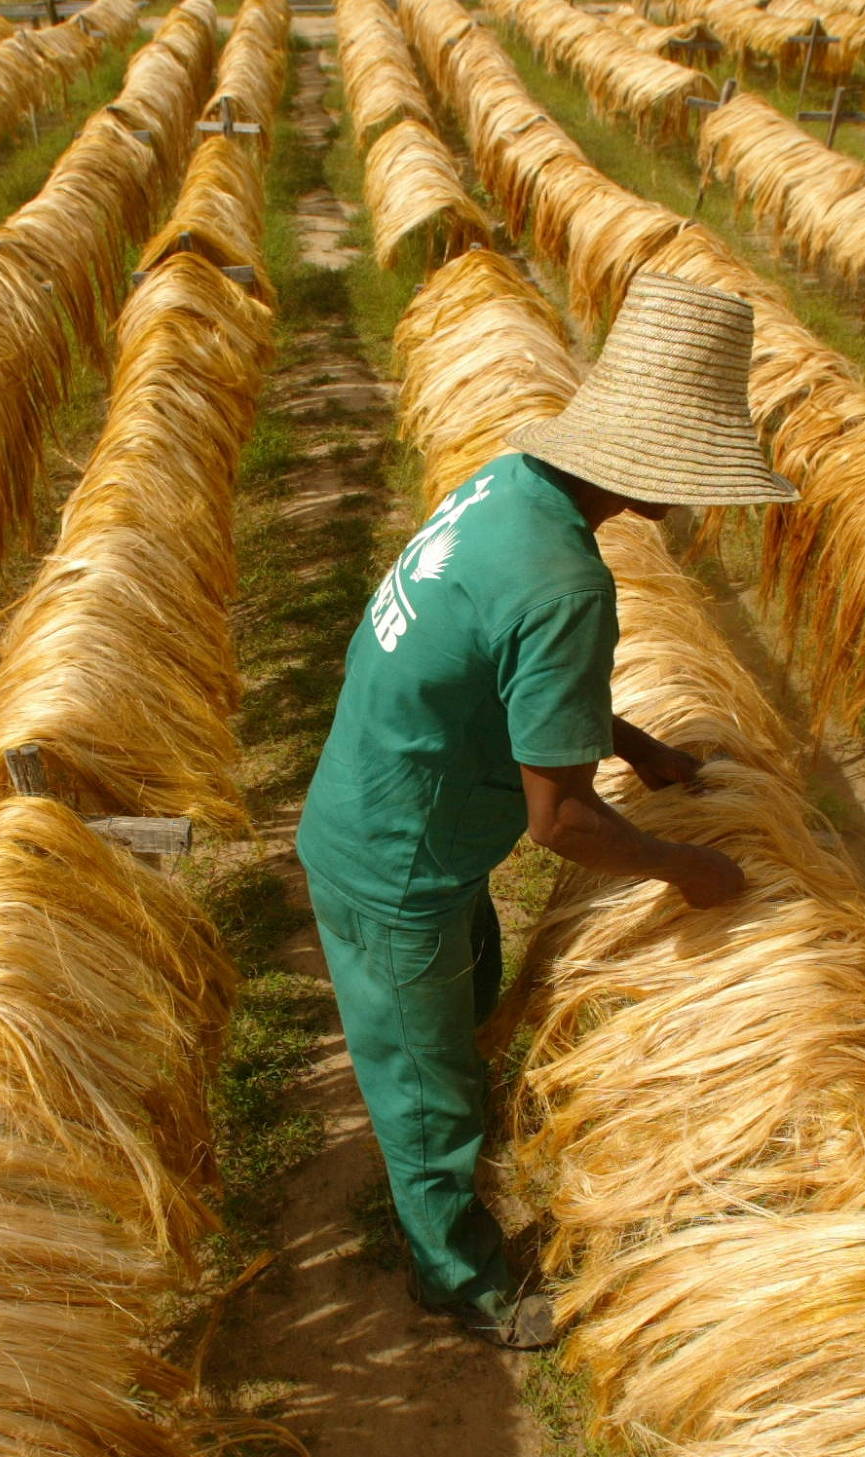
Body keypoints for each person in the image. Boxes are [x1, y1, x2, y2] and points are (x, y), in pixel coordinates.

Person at [295, 270, 797, 1349]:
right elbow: (560, 823)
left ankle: (454, 1144)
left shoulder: (510, 488)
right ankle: (456, 1275)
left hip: (395, 802)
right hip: (396, 860)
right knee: (423, 1085)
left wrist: (639, 745)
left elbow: (512, 673)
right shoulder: (566, 583)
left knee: (464, 997)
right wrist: (689, 870)